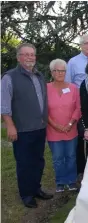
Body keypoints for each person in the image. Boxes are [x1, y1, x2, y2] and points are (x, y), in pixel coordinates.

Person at [1, 43, 53, 208]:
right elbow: (4, 105)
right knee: (24, 163)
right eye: (26, 54)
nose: (30, 57)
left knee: (38, 160)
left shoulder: (39, 76)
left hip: (39, 127)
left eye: (32, 54)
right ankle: (26, 195)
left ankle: (36, 188)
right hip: (22, 129)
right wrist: (10, 125)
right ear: (19, 57)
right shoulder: (9, 77)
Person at [47, 59, 81, 192]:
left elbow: (78, 108)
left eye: (62, 70)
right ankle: (60, 181)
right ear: (52, 72)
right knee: (58, 158)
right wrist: (55, 125)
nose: (60, 73)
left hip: (71, 129)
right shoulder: (46, 88)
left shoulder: (73, 88)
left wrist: (71, 123)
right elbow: (43, 110)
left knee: (71, 156)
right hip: (53, 130)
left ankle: (71, 181)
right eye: (56, 70)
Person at [65, 34, 88, 178]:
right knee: (79, 138)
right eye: (86, 43)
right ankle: (80, 170)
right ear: (81, 45)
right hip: (78, 104)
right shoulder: (73, 62)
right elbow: (68, 84)